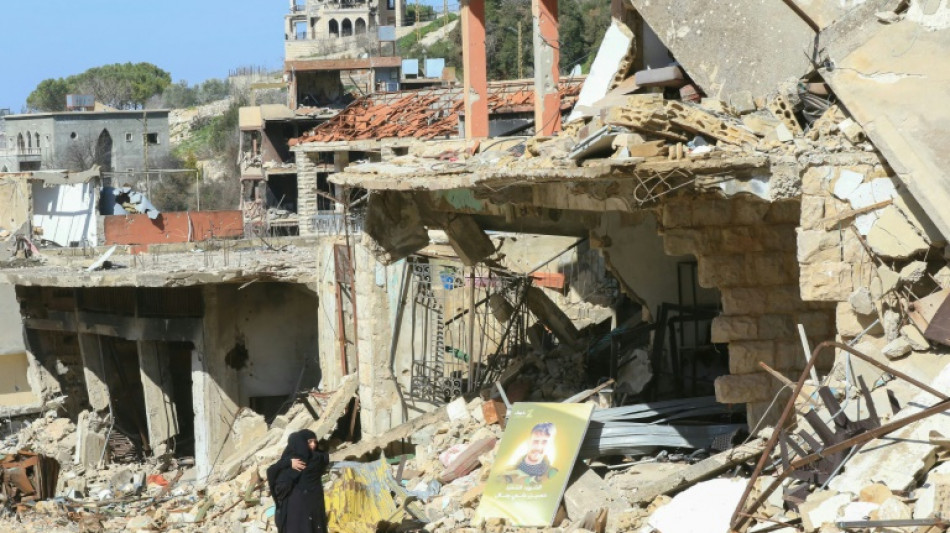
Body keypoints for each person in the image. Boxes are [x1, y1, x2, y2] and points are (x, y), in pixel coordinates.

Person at [266, 429, 330, 533]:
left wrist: (287, 463)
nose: (313, 445)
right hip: (311, 503)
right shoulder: (320, 457)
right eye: (310, 442)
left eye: (315, 442)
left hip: (297, 504)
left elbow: (272, 473)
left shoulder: (297, 460)